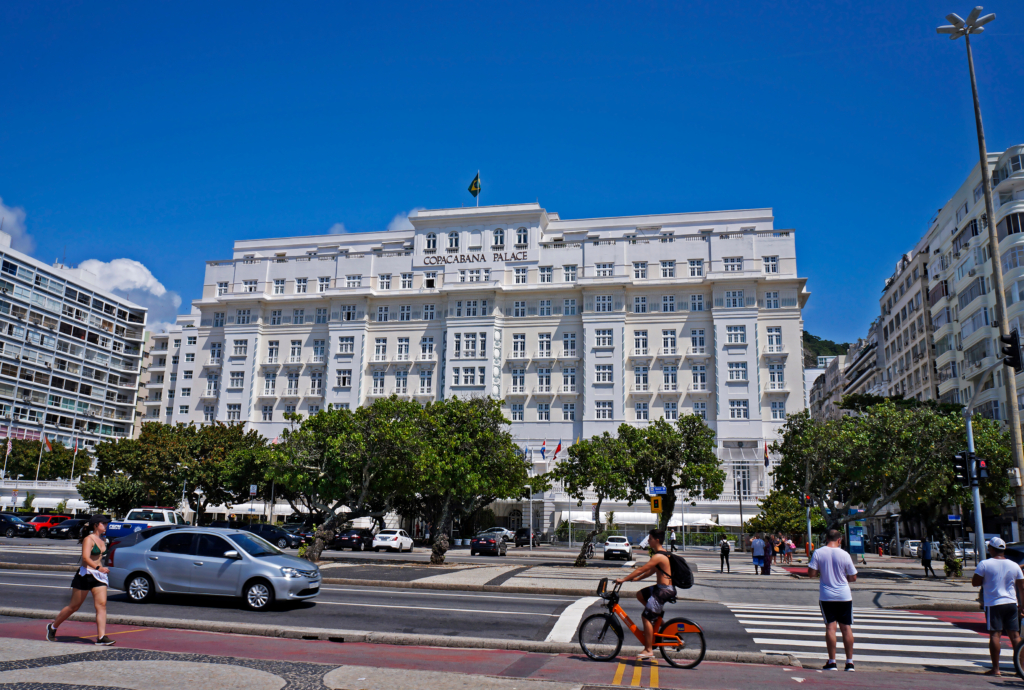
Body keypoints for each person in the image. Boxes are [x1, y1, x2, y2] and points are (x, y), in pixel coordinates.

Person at [47, 514, 115, 646]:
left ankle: (101, 637)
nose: (106, 526)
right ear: (96, 525)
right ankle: (53, 627)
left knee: (101, 605)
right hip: (86, 575)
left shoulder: (103, 539)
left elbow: (99, 557)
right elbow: (85, 558)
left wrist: (101, 568)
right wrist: (98, 567)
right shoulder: (89, 539)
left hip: (98, 577)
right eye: (104, 523)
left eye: (106, 524)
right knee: (74, 606)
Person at [615, 529, 676, 661]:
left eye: (650, 539)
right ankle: (660, 622)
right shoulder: (662, 554)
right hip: (662, 588)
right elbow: (651, 571)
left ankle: (649, 650)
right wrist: (637, 579)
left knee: (646, 617)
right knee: (640, 595)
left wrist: (624, 579)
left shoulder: (659, 556)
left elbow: (643, 569)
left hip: (664, 590)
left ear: (657, 540)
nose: (648, 541)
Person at [971, 537, 1024, 676]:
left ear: (992, 549)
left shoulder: (984, 564)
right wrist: (1022, 605)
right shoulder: (1014, 565)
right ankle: (1021, 668)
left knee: (995, 635)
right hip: (1012, 603)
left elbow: (975, 582)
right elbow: (1022, 587)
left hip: (994, 604)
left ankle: (996, 669)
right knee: (1015, 636)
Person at [808, 528, 858, 671]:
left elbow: (811, 573)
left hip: (827, 595)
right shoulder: (845, 554)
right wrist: (844, 578)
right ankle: (850, 662)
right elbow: (853, 577)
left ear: (826, 539)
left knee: (831, 627)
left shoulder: (818, 552)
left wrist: (822, 571)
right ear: (839, 540)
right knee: (846, 627)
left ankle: (832, 662)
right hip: (844, 595)